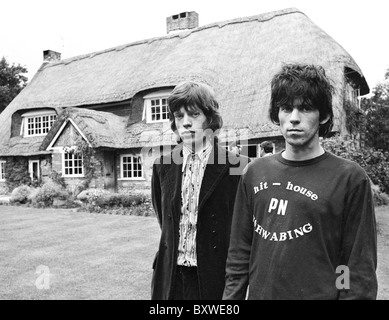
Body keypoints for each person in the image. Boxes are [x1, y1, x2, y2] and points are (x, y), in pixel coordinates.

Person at [223, 64, 378, 300]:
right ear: (277, 115)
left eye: (305, 108)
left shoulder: (349, 178)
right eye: (286, 108)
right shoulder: (254, 173)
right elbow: (239, 255)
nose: (294, 118)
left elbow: (353, 266)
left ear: (324, 115)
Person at [151, 81, 249, 300]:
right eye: (179, 116)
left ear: (209, 119)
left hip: (213, 278)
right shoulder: (162, 166)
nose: (186, 123)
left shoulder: (237, 167)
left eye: (194, 115)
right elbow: (164, 219)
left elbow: (241, 230)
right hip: (171, 278)